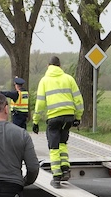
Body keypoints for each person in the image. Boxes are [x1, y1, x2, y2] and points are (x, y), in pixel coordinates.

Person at [32, 57, 84, 188]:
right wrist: (77, 117)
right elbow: (78, 100)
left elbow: (40, 104)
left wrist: (35, 121)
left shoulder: (44, 81)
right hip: (68, 117)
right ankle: (65, 167)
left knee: (53, 147)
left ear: (48, 65)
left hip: (54, 118)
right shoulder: (69, 78)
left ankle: (56, 177)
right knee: (63, 142)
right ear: (60, 65)